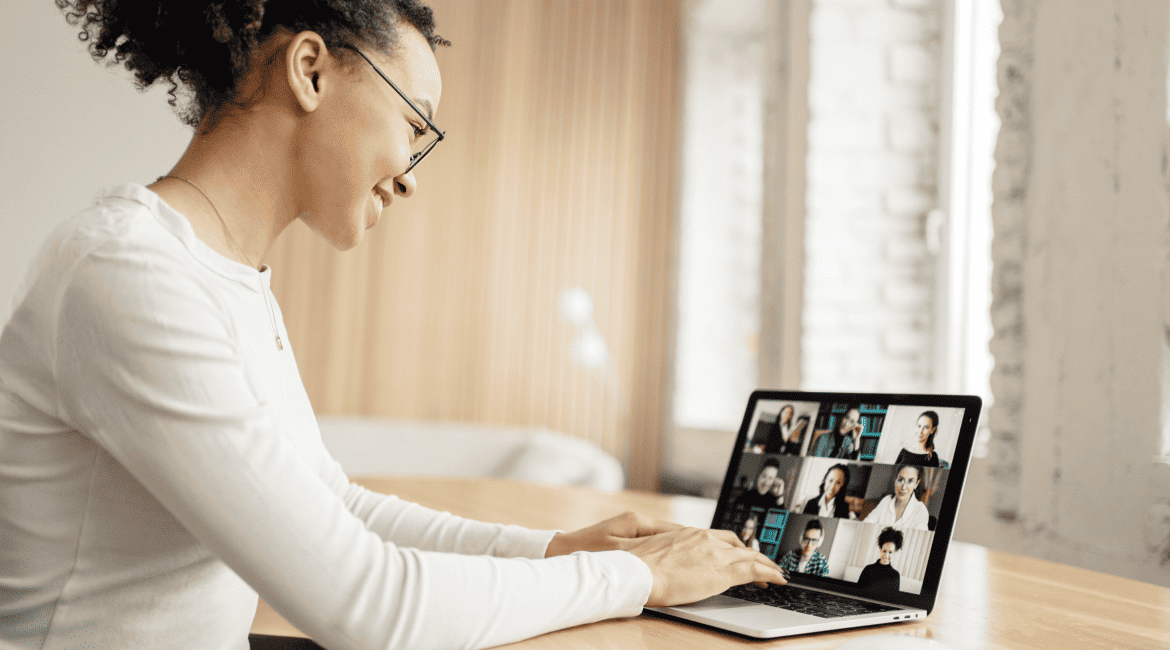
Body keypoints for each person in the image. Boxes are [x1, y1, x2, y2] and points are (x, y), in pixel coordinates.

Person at [0, 3, 786, 648]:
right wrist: (642, 577)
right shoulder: (129, 275)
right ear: (310, 70)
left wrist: (555, 548)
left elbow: (333, 504)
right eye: (414, 124)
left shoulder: (223, 279)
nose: (409, 177)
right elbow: (368, 606)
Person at [863, 465, 931, 530]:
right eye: (901, 479)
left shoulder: (921, 511)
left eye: (910, 481)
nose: (903, 487)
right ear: (895, 480)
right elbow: (867, 523)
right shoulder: (886, 500)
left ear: (916, 484)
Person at [856, 527, 903, 591]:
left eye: (890, 552)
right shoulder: (868, 569)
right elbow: (857, 590)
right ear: (880, 550)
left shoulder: (895, 575)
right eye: (884, 551)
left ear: (895, 552)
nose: (886, 555)